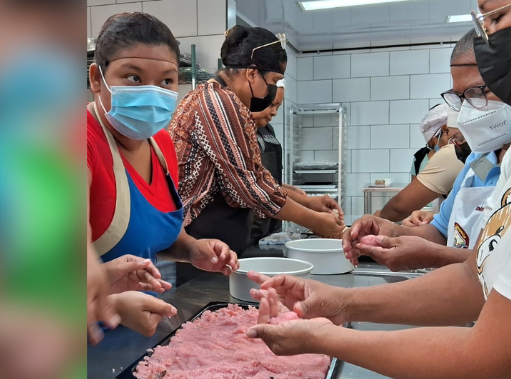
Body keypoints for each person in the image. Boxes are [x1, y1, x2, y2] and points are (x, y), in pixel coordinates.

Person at [246, 0, 511, 379]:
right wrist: (342, 303)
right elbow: (476, 279)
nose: (493, 46)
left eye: (499, 18)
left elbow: (502, 359)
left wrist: (323, 340)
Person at [86, 12, 239, 342]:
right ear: (97, 79)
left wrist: (193, 249)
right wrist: (109, 305)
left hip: (140, 335)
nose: (152, 93)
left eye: (167, 80)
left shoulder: (161, 144)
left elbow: (160, 236)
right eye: (134, 77)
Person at [344, 29, 511, 271]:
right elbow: (440, 229)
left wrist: (433, 256)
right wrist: (392, 231)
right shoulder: (479, 160)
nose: (468, 111)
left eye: (478, 92)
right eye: (460, 98)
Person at [169, 25, 344, 263]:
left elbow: (254, 174)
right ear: (252, 74)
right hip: (199, 244)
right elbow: (249, 189)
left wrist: (307, 202)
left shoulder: (219, 99)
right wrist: (315, 220)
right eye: (273, 81)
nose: (270, 92)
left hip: (214, 246)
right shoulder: (219, 103)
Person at [249, 80, 344, 246]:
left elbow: (268, 181)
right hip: (246, 231)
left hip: (268, 230)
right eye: (271, 104)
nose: (274, 112)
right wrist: (313, 218)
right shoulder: (237, 133)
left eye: (277, 106)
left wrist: (303, 198)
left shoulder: (266, 129)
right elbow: (256, 188)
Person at [375, 105, 467, 222]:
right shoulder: (478, 151)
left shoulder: (454, 152)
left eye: (434, 144)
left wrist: (376, 219)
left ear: (445, 129)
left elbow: (399, 207)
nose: (435, 149)